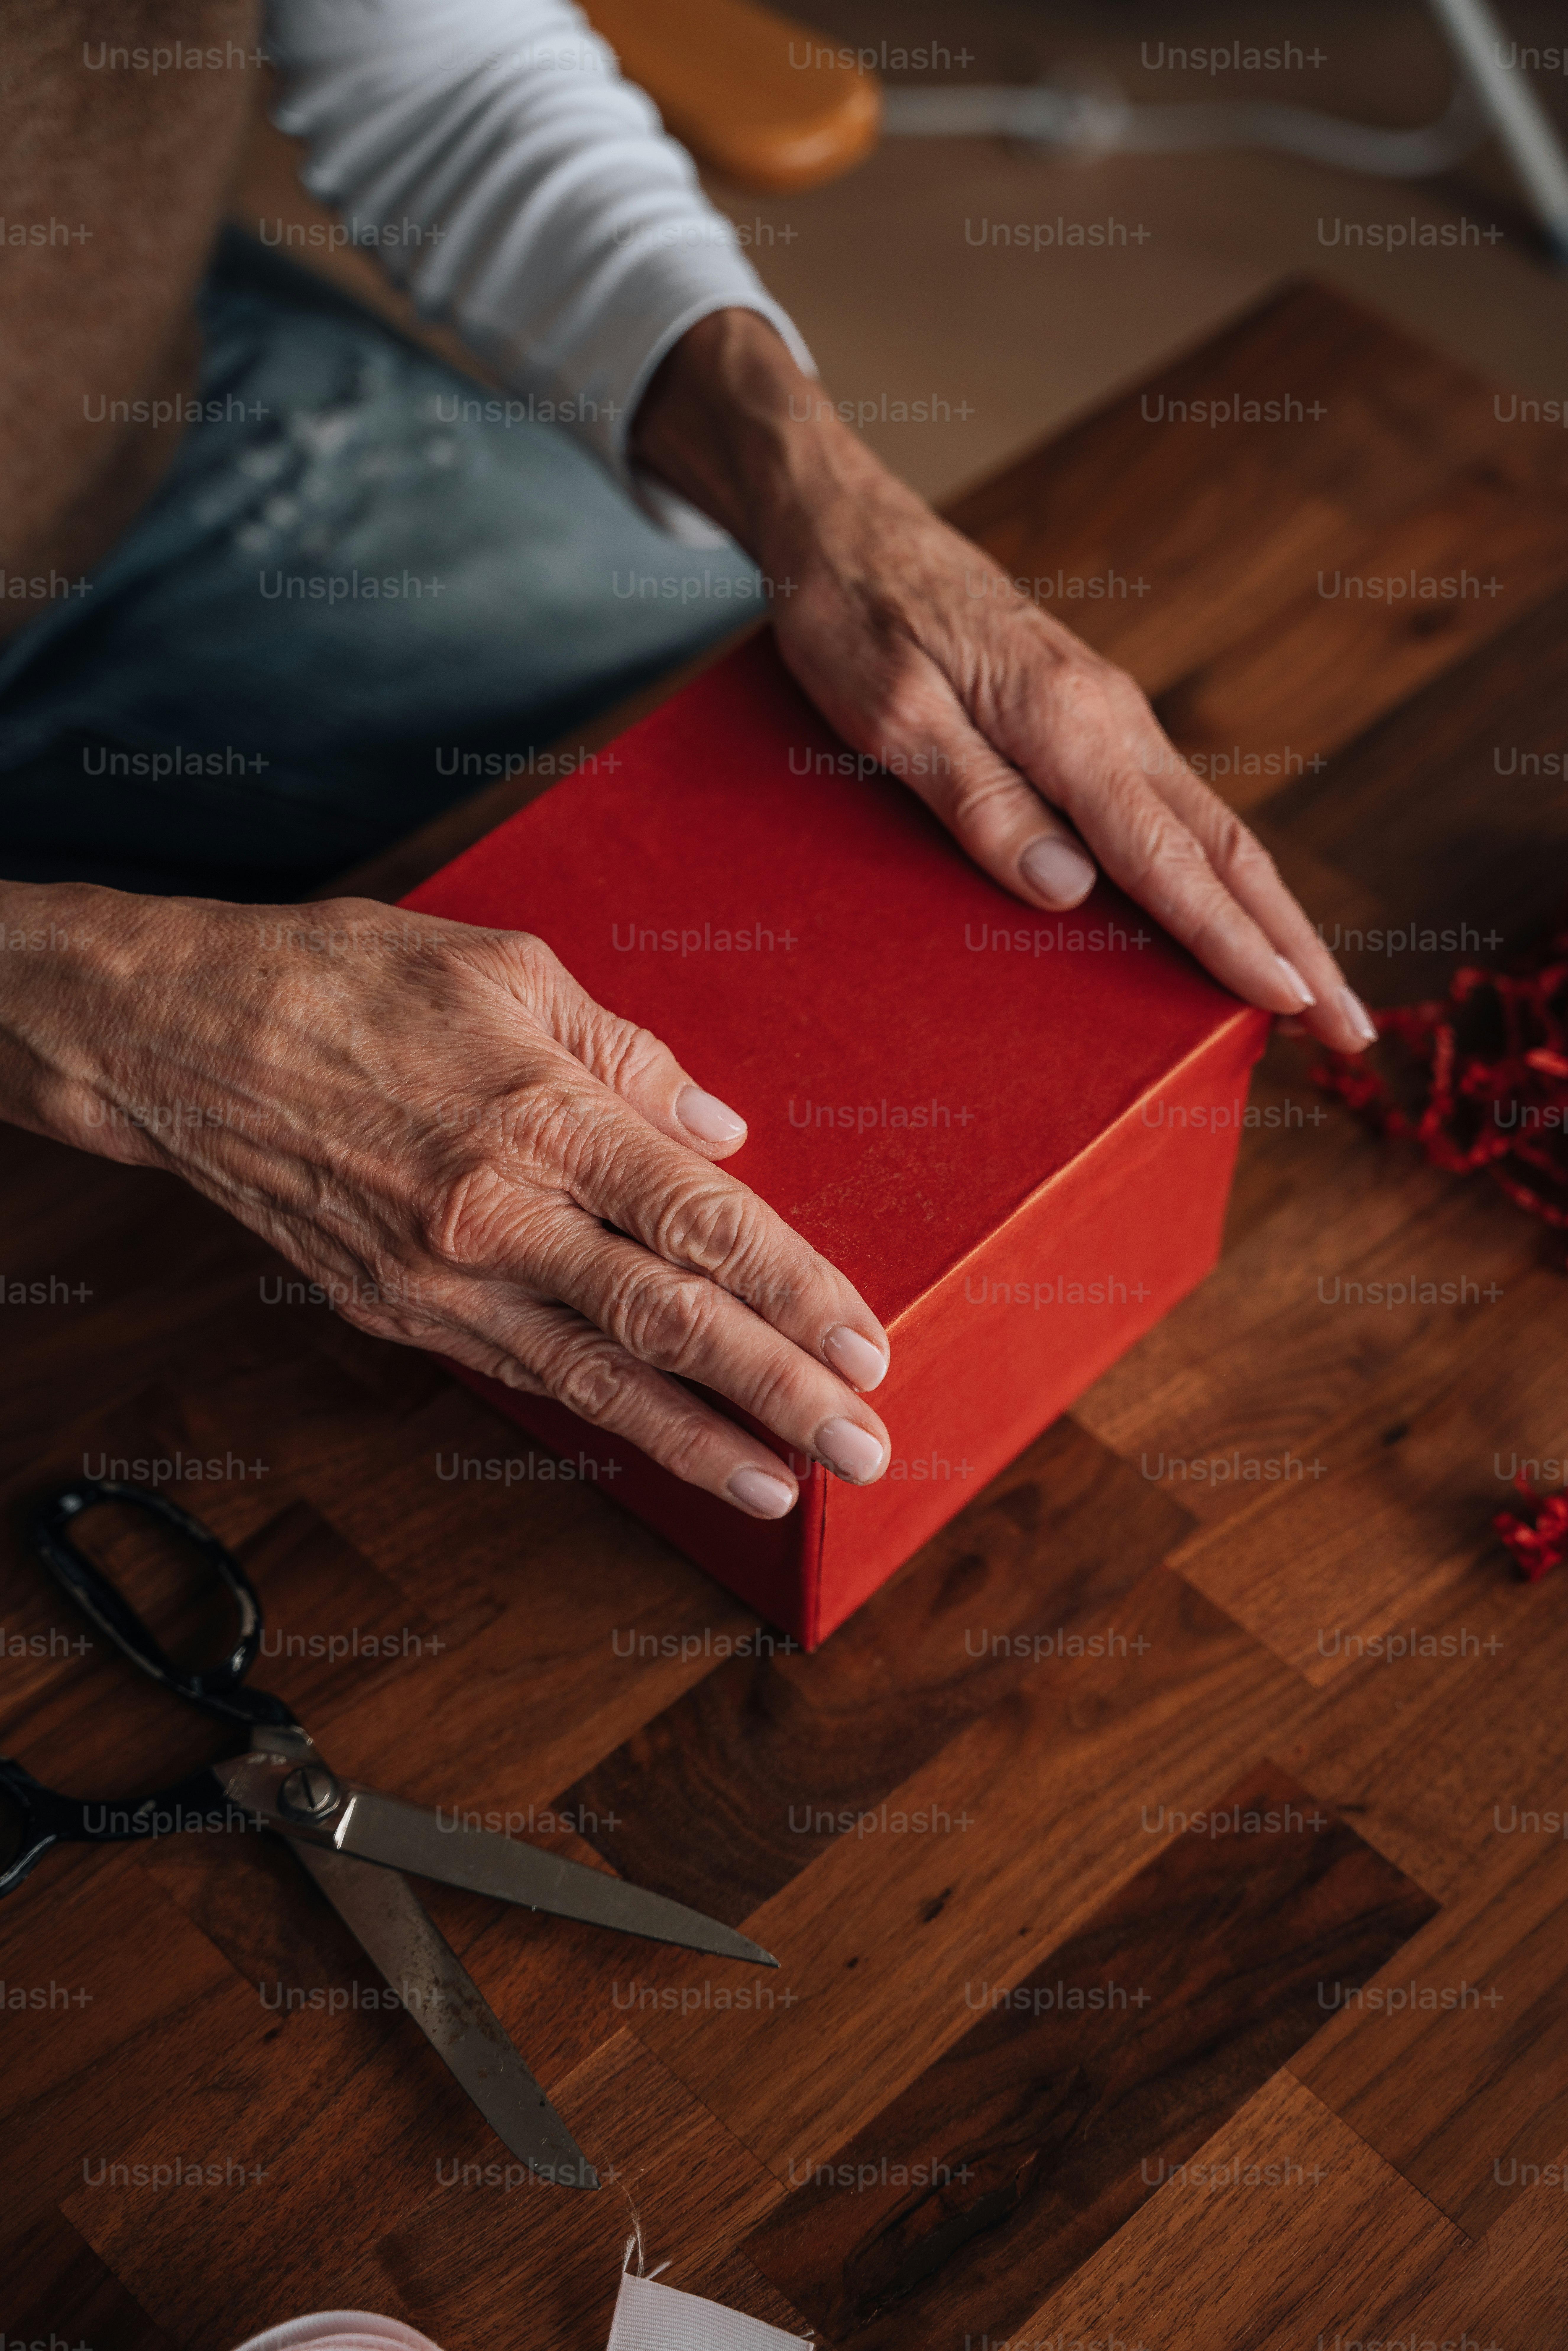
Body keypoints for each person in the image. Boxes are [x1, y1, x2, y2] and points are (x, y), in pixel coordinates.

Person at [0, 0, 1374, 1525]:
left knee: (753, 709)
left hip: (124, 442)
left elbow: (444, 71)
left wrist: (817, 490)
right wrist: (94, 988)